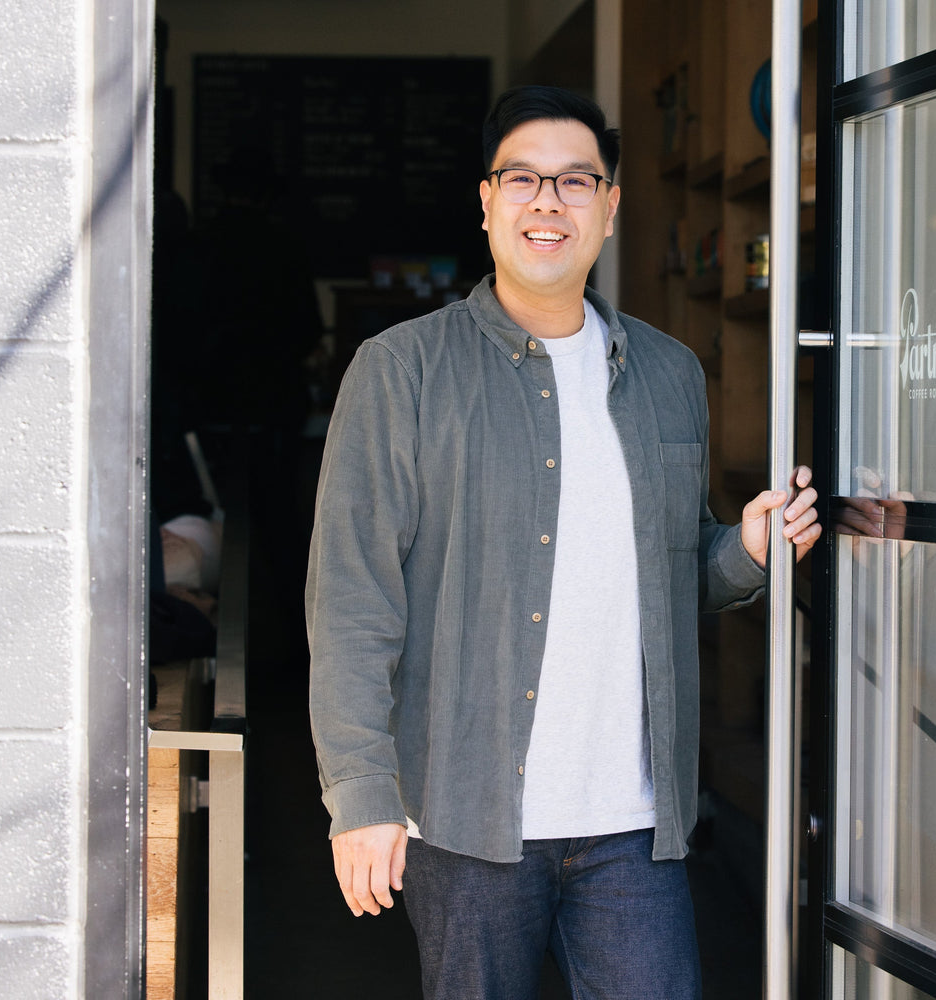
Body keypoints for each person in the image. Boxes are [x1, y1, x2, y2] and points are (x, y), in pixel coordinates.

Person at [306, 85, 821, 1000]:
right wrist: (361, 794)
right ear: (486, 200)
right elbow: (352, 599)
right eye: (523, 179)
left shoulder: (669, 373)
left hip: (633, 825)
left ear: (611, 208)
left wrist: (741, 549)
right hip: (465, 822)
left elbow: (667, 576)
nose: (549, 202)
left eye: (576, 180)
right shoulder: (401, 372)